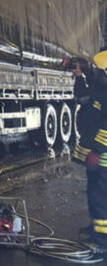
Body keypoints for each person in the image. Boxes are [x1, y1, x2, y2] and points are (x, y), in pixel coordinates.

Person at [70, 48, 107, 252]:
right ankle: (96, 228)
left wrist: (98, 150)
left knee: (101, 196)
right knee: (94, 193)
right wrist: (80, 75)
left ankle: (103, 241)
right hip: (96, 153)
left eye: (99, 69)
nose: (97, 72)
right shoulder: (101, 86)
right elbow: (83, 97)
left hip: (103, 155)